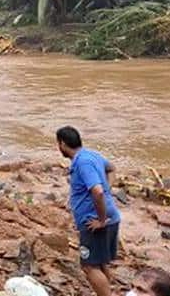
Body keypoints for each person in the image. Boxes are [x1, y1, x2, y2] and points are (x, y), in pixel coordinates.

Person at [56, 126, 122, 296]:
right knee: (100, 262)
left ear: (62, 144)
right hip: (111, 216)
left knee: (89, 266)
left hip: (95, 222)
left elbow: (97, 191)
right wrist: (108, 188)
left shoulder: (83, 162)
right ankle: (109, 291)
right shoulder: (91, 154)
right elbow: (112, 168)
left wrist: (101, 219)